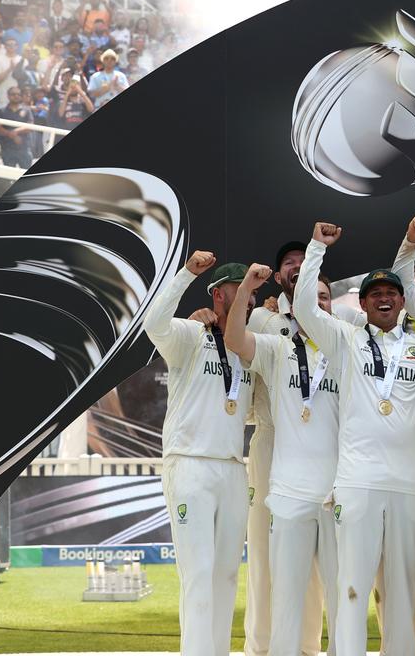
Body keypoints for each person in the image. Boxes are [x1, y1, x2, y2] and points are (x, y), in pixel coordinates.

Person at [295, 223, 415, 656]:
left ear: (401, 303)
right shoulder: (344, 339)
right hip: (357, 481)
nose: (383, 298)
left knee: (401, 591)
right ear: (362, 303)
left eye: (391, 294)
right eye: (375, 294)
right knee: (353, 588)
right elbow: (304, 307)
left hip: (407, 485)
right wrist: (317, 247)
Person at [143, 252, 256, 656]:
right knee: (199, 573)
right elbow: (152, 322)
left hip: (231, 467)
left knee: (226, 575)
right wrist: (187, 273)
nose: (250, 298)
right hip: (189, 463)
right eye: (240, 290)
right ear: (219, 296)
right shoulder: (191, 335)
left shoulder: (249, 347)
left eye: (254, 292)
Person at [224, 264, 340, 656]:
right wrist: (245, 291)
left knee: (338, 592)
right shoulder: (277, 345)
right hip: (288, 484)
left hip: (337, 484)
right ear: (293, 306)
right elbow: (236, 338)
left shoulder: (348, 346)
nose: (317, 304)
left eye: (324, 298)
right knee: (283, 586)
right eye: (311, 298)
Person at [0, 86, 34, 168]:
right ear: (8, 96)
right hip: (7, 149)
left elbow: (30, 126)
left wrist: (15, 132)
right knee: (8, 177)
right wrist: (11, 134)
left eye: (18, 94)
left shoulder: (27, 110)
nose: (16, 96)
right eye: (13, 94)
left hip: (24, 148)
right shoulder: (2, 111)